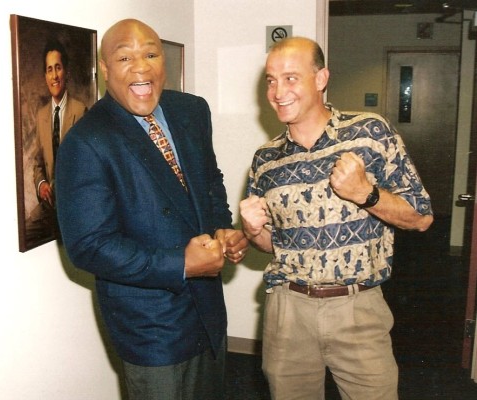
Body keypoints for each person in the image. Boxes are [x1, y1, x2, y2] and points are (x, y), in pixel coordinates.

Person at [55, 19, 248, 400]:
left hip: (208, 310)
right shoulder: (86, 141)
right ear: (105, 71)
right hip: (151, 328)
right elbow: (89, 246)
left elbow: (209, 181)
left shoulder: (192, 110)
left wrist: (222, 227)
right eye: (124, 57)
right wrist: (181, 264)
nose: (141, 67)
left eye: (150, 54)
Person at [240, 37, 433, 400]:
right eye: (271, 79)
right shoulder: (265, 160)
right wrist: (254, 231)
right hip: (288, 309)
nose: (278, 91)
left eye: (291, 78)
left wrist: (366, 194)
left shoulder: (370, 133)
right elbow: (272, 244)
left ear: (321, 78)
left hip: (357, 307)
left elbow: (421, 217)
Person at [27, 38, 87, 241]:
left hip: (73, 204)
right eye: (49, 69)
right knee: (27, 233)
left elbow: (87, 166)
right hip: (48, 204)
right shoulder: (41, 115)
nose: (54, 75)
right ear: (45, 76)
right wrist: (42, 184)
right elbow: (37, 163)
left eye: (58, 68)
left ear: (66, 72)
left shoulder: (80, 111)